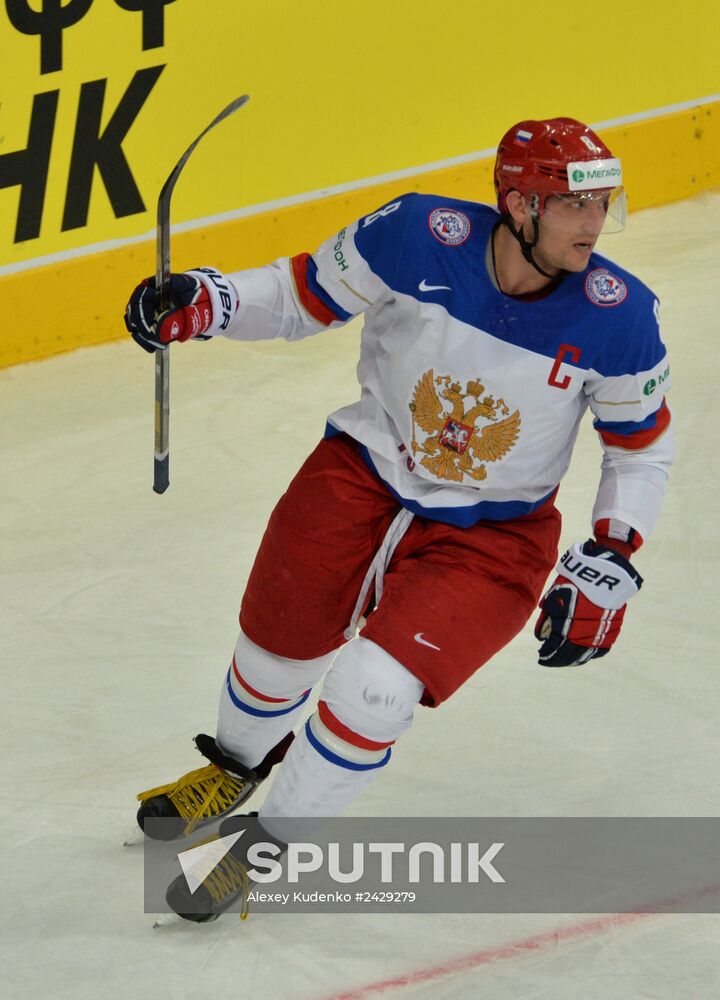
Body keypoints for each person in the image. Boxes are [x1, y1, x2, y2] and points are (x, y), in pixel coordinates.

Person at [125, 117, 673, 920]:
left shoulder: (618, 315)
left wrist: (613, 555)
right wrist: (211, 300)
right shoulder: (418, 234)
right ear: (518, 203)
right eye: (573, 206)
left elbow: (640, 451)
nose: (595, 225)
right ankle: (236, 765)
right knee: (273, 650)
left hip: (492, 536)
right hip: (361, 476)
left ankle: (270, 840)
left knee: (374, 691)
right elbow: (301, 294)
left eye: (602, 206)